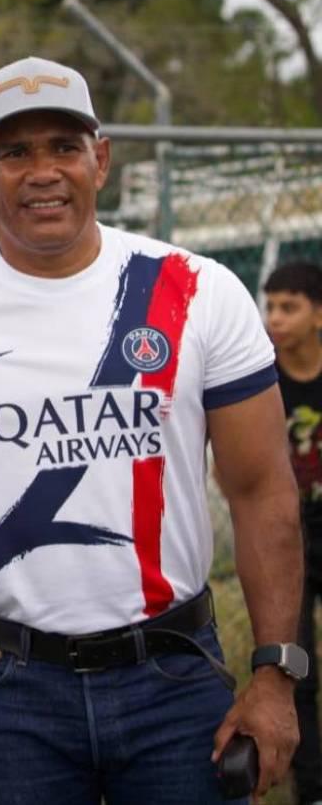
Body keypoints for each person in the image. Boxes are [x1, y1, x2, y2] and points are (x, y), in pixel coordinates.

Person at [0, 55, 305, 804]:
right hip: (7, 690)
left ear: (100, 159)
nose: (42, 170)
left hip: (174, 677)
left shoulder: (198, 292)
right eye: (15, 151)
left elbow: (262, 491)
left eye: (63, 146)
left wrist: (275, 673)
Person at [264, 261, 322, 805]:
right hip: (289, 538)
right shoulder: (261, 376)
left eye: (289, 306)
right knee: (296, 665)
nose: (276, 318)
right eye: (271, 306)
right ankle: (313, 789)